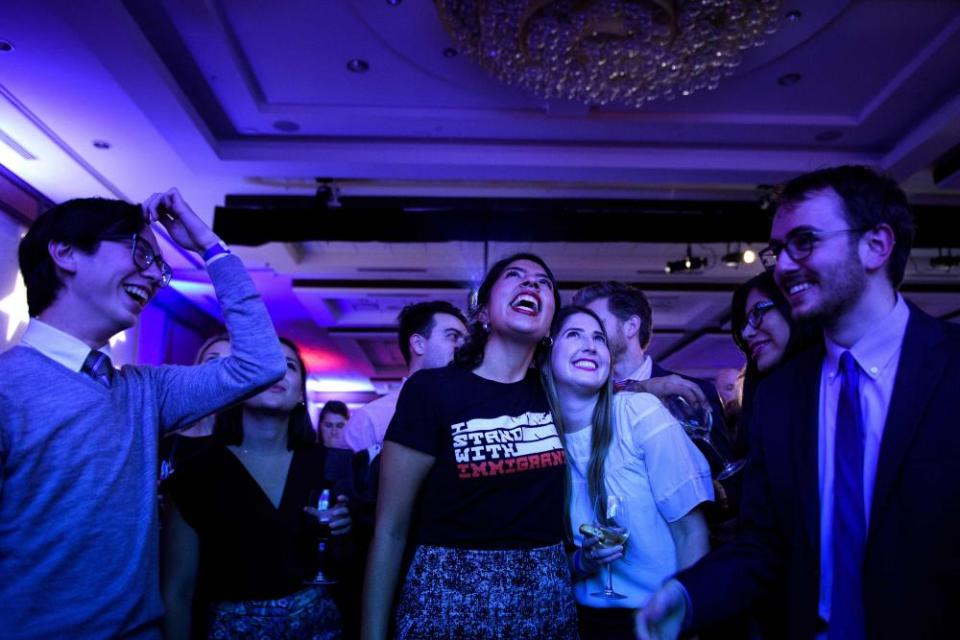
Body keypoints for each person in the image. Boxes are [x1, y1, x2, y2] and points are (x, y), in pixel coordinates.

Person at [637, 165, 960, 640]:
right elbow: (765, 545)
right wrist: (688, 597)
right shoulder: (783, 395)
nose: (783, 266)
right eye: (778, 250)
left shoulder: (951, 367)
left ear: (877, 245)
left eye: (804, 242)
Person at [0, 190, 285, 639]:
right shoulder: (7, 389)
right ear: (66, 252)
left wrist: (210, 247)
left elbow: (261, 364)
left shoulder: (144, 390)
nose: (155, 276)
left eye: (161, 265)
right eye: (141, 252)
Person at [361, 253, 577, 640]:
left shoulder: (556, 394)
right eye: (514, 276)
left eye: (543, 282)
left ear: (549, 326)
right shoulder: (432, 390)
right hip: (447, 602)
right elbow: (391, 528)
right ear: (483, 314)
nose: (531, 283)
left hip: (545, 605)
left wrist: (659, 385)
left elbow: (612, 394)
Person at [162, 337, 351, 639]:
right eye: (263, 363)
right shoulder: (198, 472)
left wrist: (347, 529)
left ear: (300, 392)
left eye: (288, 366)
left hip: (319, 627)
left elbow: (353, 565)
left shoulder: (328, 465)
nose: (276, 372)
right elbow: (177, 590)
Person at [542, 306, 712, 640]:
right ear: (546, 356)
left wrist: (683, 624)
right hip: (578, 623)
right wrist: (584, 561)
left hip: (654, 617)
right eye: (573, 335)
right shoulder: (540, 437)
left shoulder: (638, 413)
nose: (590, 346)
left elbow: (691, 533)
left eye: (599, 338)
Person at [342, 301, 467, 455]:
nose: (464, 347)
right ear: (418, 344)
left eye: (466, 341)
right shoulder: (370, 420)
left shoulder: (470, 412)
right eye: (453, 336)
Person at [159, 334, 232, 485]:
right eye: (212, 359)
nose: (220, 368)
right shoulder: (167, 438)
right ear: (197, 368)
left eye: (231, 362)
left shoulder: (241, 444)